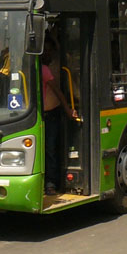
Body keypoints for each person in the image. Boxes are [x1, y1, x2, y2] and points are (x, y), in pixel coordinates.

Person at [42, 45, 77, 195]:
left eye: (51, 52)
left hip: (51, 114)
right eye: (47, 52)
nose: (50, 55)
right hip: (39, 116)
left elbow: (57, 91)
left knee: (50, 149)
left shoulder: (45, 69)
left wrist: (68, 110)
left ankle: (51, 183)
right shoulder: (40, 68)